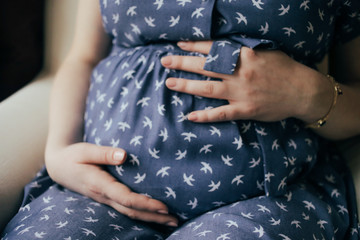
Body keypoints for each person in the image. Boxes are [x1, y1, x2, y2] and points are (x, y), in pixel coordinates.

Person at [2, 0, 360, 239]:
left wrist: (307, 93)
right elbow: (82, 57)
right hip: (101, 192)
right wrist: (59, 152)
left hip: (266, 198)